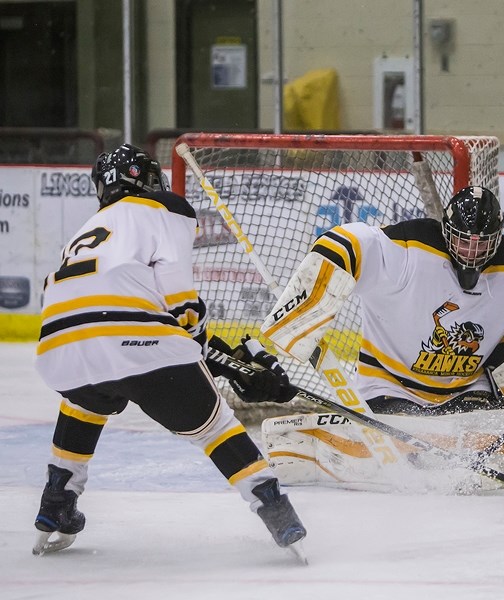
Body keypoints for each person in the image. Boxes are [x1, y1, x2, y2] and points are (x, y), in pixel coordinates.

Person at [32, 144, 306, 556]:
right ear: (143, 178)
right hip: (132, 336)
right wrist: (228, 363)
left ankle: (56, 505)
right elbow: (180, 304)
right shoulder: (165, 207)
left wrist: (221, 359)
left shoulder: (84, 231)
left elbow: (99, 311)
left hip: (57, 349)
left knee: (84, 400)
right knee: (214, 426)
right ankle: (277, 513)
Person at [257, 185, 504, 490]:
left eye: (482, 244)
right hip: (391, 387)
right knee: (465, 440)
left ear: (498, 238)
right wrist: (305, 304)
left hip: (467, 390)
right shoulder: (409, 249)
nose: (472, 252)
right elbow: (346, 242)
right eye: (463, 241)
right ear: (446, 230)